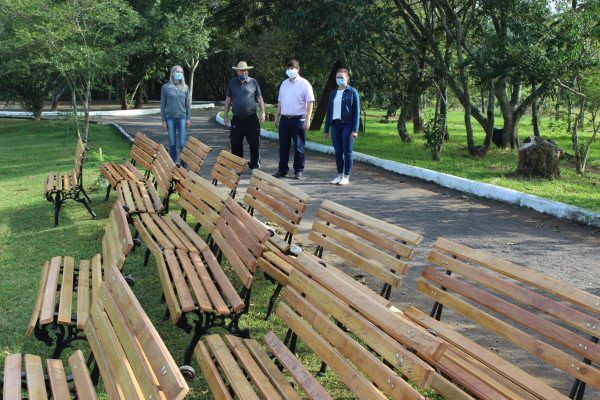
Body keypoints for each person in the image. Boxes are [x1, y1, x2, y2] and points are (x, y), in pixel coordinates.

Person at [273, 59, 315, 180]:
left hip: (299, 119)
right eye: (289, 68)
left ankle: (298, 170)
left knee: (298, 146)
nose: (290, 70)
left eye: (293, 68)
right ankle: (282, 170)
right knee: (283, 146)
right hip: (285, 119)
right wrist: (276, 117)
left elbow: (310, 102)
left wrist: (308, 119)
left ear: (298, 69)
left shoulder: (304, 84)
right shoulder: (284, 84)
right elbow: (280, 102)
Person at [223, 61, 266, 170]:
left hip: (251, 119)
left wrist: (263, 113)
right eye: (242, 70)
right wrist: (226, 116)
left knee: (254, 143)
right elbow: (228, 100)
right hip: (237, 119)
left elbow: (259, 98)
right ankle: (238, 166)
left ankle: (255, 165)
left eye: (246, 70)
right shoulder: (232, 83)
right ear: (237, 71)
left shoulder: (253, 82)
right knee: (235, 143)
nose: (244, 72)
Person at [323, 68, 360, 185]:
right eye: (337, 77)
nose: (339, 79)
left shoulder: (353, 92)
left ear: (347, 78)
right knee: (338, 151)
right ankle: (339, 175)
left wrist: (355, 130)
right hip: (335, 125)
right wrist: (326, 129)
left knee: (347, 151)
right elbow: (329, 112)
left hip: (347, 126)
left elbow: (356, 112)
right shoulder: (333, 93)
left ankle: (346, 176)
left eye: (342, 77)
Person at [160, 65, 191, 164]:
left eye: (181, 72)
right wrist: (163, 120)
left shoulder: (185, 87)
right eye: (177, 72)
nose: (179, 74)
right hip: (170, 118)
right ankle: (172, 165)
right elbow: (162, 104)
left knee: (182, 144)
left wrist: (188, 118)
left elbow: (187, 104)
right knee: (172, 144)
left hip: (182, 117)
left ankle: (184, 167)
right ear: (172, 73)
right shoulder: (166, 87)